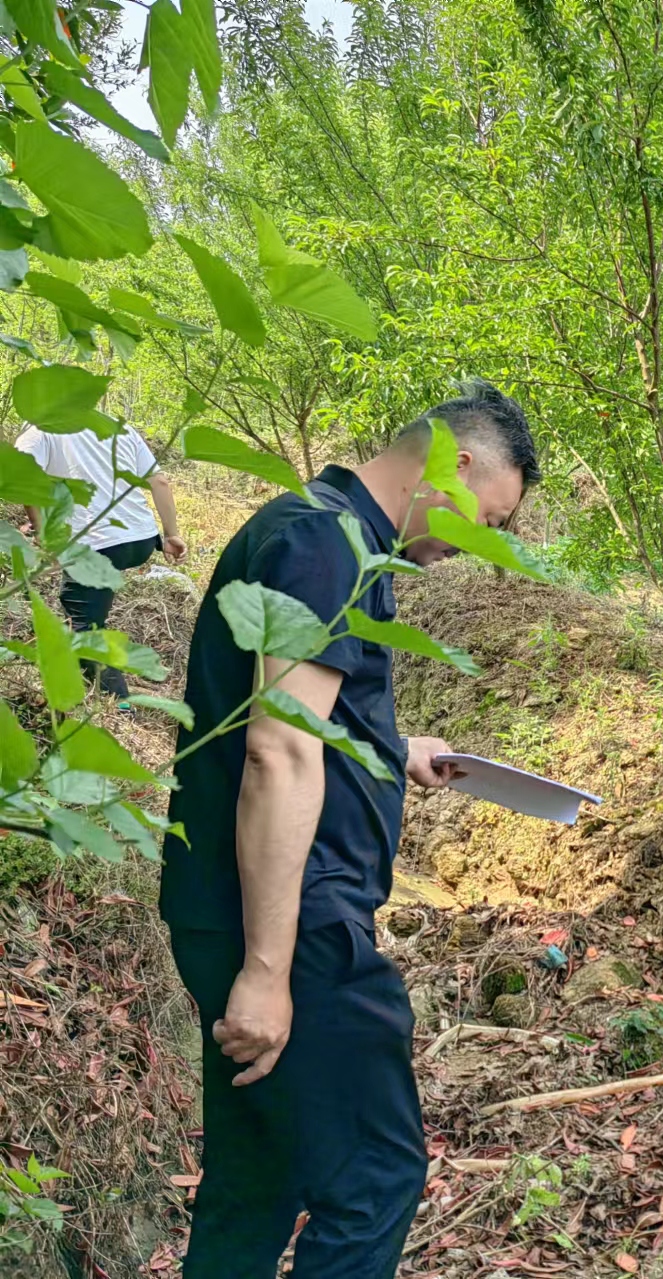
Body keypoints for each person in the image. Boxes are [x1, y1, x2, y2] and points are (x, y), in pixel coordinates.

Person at [158, 380, 539, 1279]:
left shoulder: (325, 532)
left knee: (259, 1177)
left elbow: (300, 719)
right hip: (296, 922)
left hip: (243, 904)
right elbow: (277, 755)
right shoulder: (325, 545)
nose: (472, 546)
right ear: (457, 462)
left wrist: (390, 744)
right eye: (487, 518)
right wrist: (267, 970)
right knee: (374, 1176)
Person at [17, 421, 187, 703]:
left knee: (84, 625)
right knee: (84, 605)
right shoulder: (119, 427)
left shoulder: (42, 429)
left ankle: (119, 705)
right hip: (142, 539)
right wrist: (172, 533)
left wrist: (43, 533)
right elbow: (160, 481)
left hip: (99, 544)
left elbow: (23, 478)